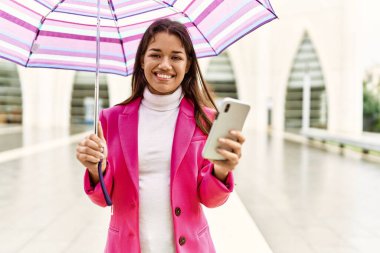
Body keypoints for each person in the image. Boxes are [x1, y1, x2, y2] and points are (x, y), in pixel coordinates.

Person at [76, 18, 246, 253]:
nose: (165, 64)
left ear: (188, 65)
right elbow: (104, 199)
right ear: (142, 60)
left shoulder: (205, 120)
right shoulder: (110, 119)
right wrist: (96, 170)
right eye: (155, 54)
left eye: (176, 57)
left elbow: (210, 199)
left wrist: (221, 170)